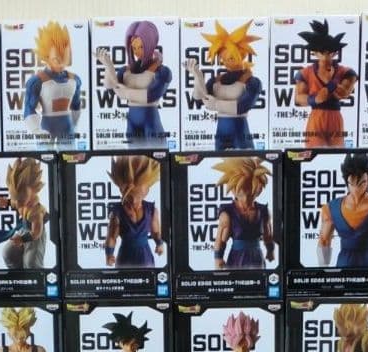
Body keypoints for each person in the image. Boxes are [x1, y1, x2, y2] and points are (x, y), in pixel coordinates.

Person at [186, 20, 262, 150]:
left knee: (244, 160)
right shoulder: (216, 80)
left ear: (242, 54)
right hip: (221, 132)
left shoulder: (252, 81)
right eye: (223, 58)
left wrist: (216, 104)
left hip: (240, 131)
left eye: (231, 58)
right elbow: (199, 100)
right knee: (218, 160)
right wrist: (198, 77)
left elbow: (243, 106)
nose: (226, 62)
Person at [96, 21, 172, 146]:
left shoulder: (162, 71)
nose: (137, 52)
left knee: (156, 153)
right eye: (134, 48)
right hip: (132, 120)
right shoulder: (125, 70)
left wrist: (124, 92)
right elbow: (111, 89)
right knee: (133, 155)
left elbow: (151, 95)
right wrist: (108, 66)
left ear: (150, 44)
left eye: (141, 47)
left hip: (150, 119)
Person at [294, 19, 358, 148]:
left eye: (329, 52)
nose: (325, 55)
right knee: (314, 152)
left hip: (335, 117)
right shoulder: (305, 72)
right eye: (322, 51)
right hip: (316, 117)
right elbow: (298, 98)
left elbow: (343, 94)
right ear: (314, 52)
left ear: (335, 52)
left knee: (337, 153)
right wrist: (314, 99)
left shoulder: (346, 72)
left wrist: (330, 83)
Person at [317, 153, 368, 268]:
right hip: (344, 264)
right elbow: (324, 240)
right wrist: (323, 271)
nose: (356, 189)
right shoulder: (331, 208)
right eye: (352, 183)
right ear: (347, 181)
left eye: (361, 183)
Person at [211, 157, 275, 269]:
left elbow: (268, 235)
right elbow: (221, 240)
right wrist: (218, 258)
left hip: (257, 259)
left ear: (258, 189)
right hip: (237, 259)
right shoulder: (227, 214)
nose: (246, 197)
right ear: (234, 189)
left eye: (250, 192)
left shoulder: (263, 211)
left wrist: (270, 251)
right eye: (242, 190)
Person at [24, 22, 82, 143]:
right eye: (57, 60)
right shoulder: (37, 81)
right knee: (45, 153)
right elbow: (29, 108)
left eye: (65, 58)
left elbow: (76, 105)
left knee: (69, 153)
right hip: (46, 128)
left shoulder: (74, 79)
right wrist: (37, 131)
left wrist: (75, 125)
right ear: (46, 57)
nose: (62, 64)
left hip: (68, 128)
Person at [103, 156, 163, 267]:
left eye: (139, 196)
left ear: (146, 191)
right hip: (125, 256)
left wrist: (159, 244)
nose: (134, 201)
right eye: (129, 197)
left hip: (145, 257)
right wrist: (109, 254)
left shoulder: (151, 210)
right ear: (122, 190)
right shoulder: (117, 212)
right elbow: (112, 236)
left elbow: (155, 232)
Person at [0, 158, 48, 269]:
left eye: (21, 197)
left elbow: (36, 233)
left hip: (35, 236)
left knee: (31, 263)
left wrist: (23, 239)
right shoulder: (20, 201)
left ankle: (35, 277)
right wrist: (6, 202)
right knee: (8, 253)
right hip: (24, 230)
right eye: (14, 197)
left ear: (33, 189)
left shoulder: (36, 211)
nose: (17, 202)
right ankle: (19, 275)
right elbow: (15, 203)